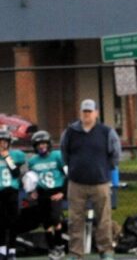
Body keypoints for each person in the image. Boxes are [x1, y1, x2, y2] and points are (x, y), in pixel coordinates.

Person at [60, 99, 121, 260]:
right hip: (76, 184)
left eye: (90, 111)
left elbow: (115, 154)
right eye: (84, 112)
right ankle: (75, 253)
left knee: (104, 219)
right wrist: (73, 168)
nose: (87, 114)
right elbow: (64, 154)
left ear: (96, 113)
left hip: (100, 183)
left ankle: (106, 251)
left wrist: (105, 171)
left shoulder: (106, 132)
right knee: (75, 220)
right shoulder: (70, 132)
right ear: (80, 113)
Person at [26, 130, 67, 260]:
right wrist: (33, 191)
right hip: (43, 193)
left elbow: (68, 175)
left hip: (56, 190)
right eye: (38, 144)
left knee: (55, 218)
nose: (41, 146)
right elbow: (33, 179)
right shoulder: (33, 161)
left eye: (43, 143)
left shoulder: (57, 156)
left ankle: (60, 246)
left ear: (49, 143)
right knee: (46, 222)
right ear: (35, 146)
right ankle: (51, 249)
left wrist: (63, 192)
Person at [0, 130, 26, 260]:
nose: (2, 144)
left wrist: (6, 156)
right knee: (1, 223)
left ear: (9, 143)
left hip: (11, 191)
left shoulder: (15, 155)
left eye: (5, 142)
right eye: (0, 142)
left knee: (13, 223)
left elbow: (16, 173)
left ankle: (12, 250)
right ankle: (2, 251)